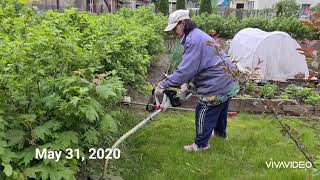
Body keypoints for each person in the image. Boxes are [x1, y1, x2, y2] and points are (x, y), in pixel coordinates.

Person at [155, 9, 239, 152]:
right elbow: (198, 65)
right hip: (227, 77)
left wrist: (163, 84)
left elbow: (185, 70)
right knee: (220, 106)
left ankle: (200, 145)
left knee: (203, 109)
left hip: (217, 80)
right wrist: (188, 83)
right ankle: (220, 135)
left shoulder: (193, 40)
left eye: (175, 27)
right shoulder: (197, 35)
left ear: (182, 23)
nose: (174, 32)